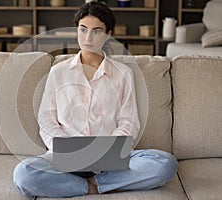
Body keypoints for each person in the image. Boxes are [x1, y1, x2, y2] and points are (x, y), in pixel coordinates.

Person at [13, 2, 178, 198]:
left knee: (165, 163)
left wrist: (109, 151)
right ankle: (94, 187)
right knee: (24, 174)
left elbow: (129, 121)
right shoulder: (59, 72)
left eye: (96, 31)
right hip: (66, 156)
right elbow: (46, 119)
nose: (88, 38)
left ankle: (91, 183)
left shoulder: (123, 73)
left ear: (108, 34)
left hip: (109, 157)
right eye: (83, 30)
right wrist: (67, 151)